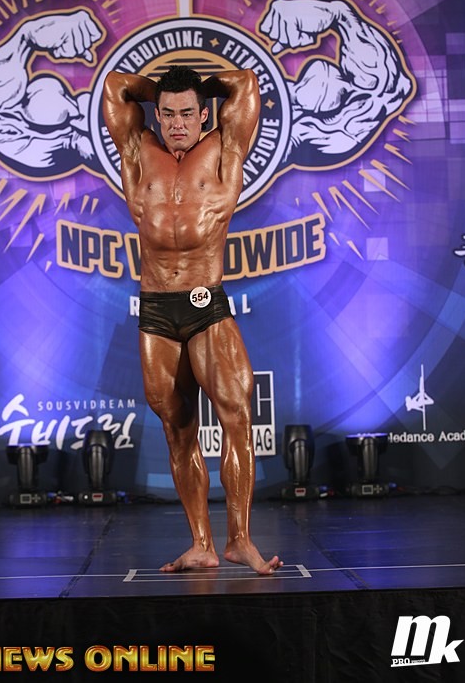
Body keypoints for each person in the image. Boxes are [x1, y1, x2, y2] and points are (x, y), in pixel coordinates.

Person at [103, 64, 282, 575]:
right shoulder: (138, 150)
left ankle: (239, 540)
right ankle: (202, 543)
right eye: (167, 113)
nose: (177, 123)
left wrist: (197, 88)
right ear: (155, 115)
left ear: (204, 114)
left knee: (236, 416)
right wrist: (159, 89)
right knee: (177, 429)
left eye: (187, 113)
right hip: (156, 309)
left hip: (206, 303)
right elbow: (116, 85)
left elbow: (245, 82)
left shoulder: (225, 147)